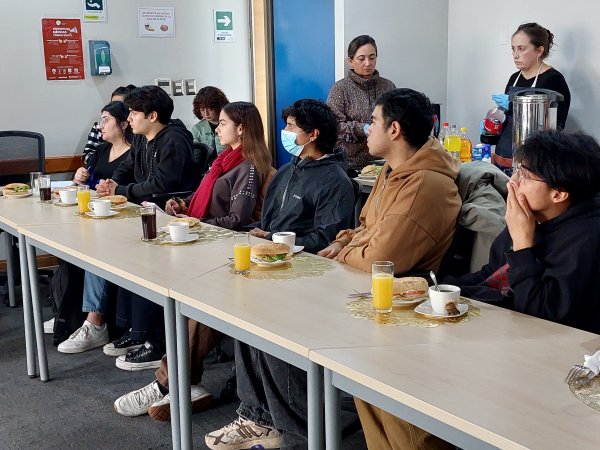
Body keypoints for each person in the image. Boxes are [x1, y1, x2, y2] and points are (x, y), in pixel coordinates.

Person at [204, 99, 354, 449]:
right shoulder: (287, 171)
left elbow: (327, 239)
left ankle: (287, 426)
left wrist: (274, 239)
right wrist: (260, 234)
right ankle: (256, 415)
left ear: (313, 134)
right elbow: (268, 222)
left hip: (307, 277)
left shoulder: (335, 180)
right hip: (271, 268)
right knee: (241, 318)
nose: (285, 133)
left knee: (271, 331)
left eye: (291, 127)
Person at [318, 88, 461, 450]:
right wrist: (343, 242)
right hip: (370, 287)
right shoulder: (392, 170)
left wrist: (345, 252)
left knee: (377, 387)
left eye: (373, 122)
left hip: (403, 300)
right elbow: (366, 227)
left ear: (394, 130)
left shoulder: (424, 183)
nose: (367, 129)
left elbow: (379, 259)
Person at [112, 101, 275, 419]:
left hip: (226, 252)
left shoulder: (248, 167)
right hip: (206, 246)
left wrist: (197, 224)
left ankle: (166, 383)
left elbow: (237, 220)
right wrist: (183, 205)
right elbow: (206, 198)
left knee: (196, 306)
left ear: (241, 129)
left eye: (223, 123)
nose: (217, 128)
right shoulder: (223, 161)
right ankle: (181, 382)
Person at [446, 130, 600, 335]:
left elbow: (540, 317)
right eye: (517, 171)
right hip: (504, 329)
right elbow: (493, 273)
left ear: (558, 194)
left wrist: (522, 244)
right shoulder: (534, 215)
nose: (512, 181)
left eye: (525, 176)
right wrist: (443, 288)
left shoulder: (585, 238)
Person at [56, 101, 133, 354]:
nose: (100, 126)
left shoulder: (133, 154)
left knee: (94, 249)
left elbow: (124, 192)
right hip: (93, 216)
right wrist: (80, 177)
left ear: (124, 124)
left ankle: (95, 322)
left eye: (106, 120)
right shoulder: (101, 150)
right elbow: (87, 184)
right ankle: (69, 313)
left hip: (118, 220)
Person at [489, 23, 571, 174]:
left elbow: (555, 127)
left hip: (534, 161)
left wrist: (514, 105)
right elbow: (508, 116)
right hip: (504, 155)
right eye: (513, 49)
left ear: (539, 50)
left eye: (522, 48)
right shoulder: (514, 78)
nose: (515, 55)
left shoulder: (553, 79)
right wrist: (493, 123)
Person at [95, 85, 197, 203]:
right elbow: (127, 167)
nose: (128, 118)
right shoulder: (140, 137)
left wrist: (119, 190)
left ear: (152, 116)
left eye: (134, 113)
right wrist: (111, 183)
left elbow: (162, 185)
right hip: (144, 204)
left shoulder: (174, 140)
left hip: (168, 206)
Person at [327, 34, 396, 174]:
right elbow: (333, 126)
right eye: (361, 58)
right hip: (350, 165)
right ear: (350, 61)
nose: (368, 63)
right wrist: (361, 128)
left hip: (383, 162)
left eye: (372, 57)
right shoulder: (340, 89)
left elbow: (397, 119)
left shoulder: (388, 86)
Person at [82, 84, 137, 166]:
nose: (115, 106)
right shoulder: (101, 149)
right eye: (113, 103)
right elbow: (87, 155)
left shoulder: (137, 130)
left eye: (120, 104)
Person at [190, 86, 229, 162]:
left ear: (218, 106)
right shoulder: (197, 129)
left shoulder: (231, 124)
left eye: (209, 109)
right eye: (202, 110)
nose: (206, 113)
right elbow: (195, 157)